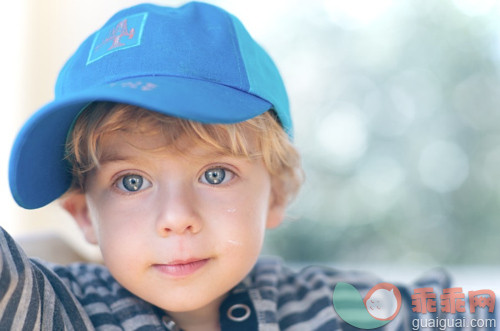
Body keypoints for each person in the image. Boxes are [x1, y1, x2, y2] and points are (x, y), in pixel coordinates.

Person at [2, 2, 471, 330]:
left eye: (215, 174)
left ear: (279, 193)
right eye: (131, 181)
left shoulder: (326, 306)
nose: (176, 217)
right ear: (86, 214)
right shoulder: (58, 309)